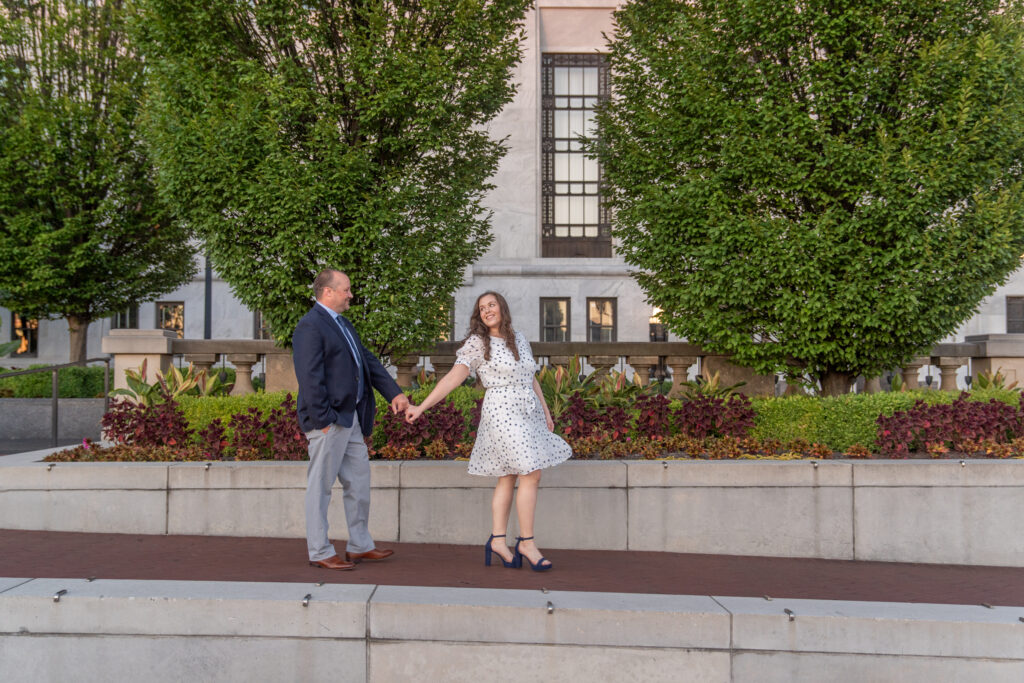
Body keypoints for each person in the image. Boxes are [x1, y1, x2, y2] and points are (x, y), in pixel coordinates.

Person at [405, 291, 571, 571]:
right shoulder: (477, 343)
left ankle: (497, 540)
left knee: (507, 476)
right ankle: (526, 542)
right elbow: (453, 378)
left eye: (491, 305)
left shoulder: (518, 338)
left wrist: (545, 411)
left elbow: (530, 377)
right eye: (482, 308)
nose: (487, 311)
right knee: (531, 472)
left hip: (527, 413)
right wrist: (421, 407)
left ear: (502, 308)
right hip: (502, 412)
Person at [293, 269, 409, 570]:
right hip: (329, 420)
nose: (350, 294)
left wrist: (394, 393)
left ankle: (359, 545)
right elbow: (309, 378)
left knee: (359, 483)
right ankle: (319, 551)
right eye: (345, 289)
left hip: (351, 418)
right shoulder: (309, 327)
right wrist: (323, 420)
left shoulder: (342, 324)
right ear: (328, 292)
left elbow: (366, 360)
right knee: (319, 488)